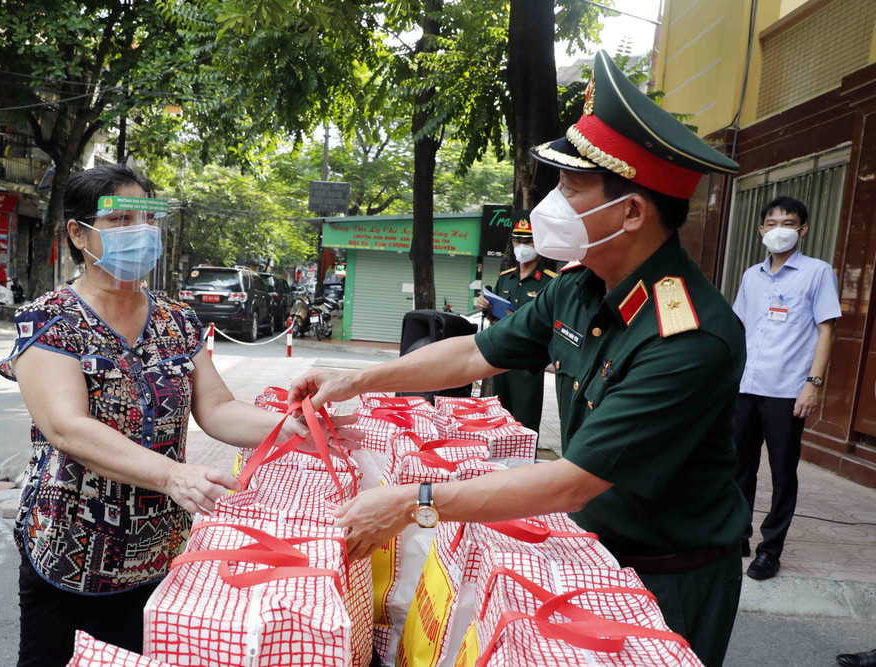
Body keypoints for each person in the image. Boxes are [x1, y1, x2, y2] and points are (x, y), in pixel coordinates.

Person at [289, 50, 750, 667]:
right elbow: (473, 354)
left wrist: (412, 501)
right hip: (595, 551)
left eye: (571, 188)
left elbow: (571, 482)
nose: (550, 205)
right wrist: (357, 380)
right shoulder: (580, 285)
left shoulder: (688, 338)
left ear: (632, 212)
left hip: (670, 577)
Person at [0, 164, 360, 666]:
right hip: (71, 554)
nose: (139, 232)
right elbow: (67, 428)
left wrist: (291, 428)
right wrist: (172, 475)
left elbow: (218, 409)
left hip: (162, 555)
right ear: (79, 234)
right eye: (120, 219)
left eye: (147, 219)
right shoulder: (49, 320)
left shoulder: (177, 319)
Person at [732, 196, 841, 581]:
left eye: (789, 223)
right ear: (762, 229)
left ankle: (770, 550)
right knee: (738, 467)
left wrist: (813, 384)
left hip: (787, 390)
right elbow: (740, 328)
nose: (780, 230)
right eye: (773, 223)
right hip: (746, 386)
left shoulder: (817, 272)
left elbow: (826, 330)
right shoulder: (751, 276)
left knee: (782, 473)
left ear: (803, 229)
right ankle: (738, 535)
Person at [475, 216, 557, 432]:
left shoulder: (550, 281)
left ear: (538, 244)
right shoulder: (506, 278)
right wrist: (487, 308)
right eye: (517, 241)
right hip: (502, 359)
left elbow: (552, 323)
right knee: (500, 419)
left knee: (525, 423)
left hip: (528, 362)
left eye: (528, 241)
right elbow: (495, 319)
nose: (522, 246)